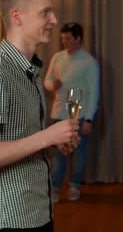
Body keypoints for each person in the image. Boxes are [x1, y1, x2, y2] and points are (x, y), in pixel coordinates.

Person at [0, 0, 80, 232]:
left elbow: (23, 141)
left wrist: (54, 140)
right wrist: (47, 137)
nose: (54, 20)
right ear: (17, 17)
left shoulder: (31, 71)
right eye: (45, 12)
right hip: (9, 220)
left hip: (36, 210)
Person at [44, 22, 100, 203]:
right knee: (58, 154)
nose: (65, 42)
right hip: (58, 112)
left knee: (78, 152)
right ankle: (55, 189)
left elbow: (94, 92)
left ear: (78, 39)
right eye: (62, 39)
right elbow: (47, 80)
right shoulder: (58, 57)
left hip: (78, 114)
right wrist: (53, 85)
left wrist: (89, 119)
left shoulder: (89, 62)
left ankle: (75, 186)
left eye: (68, 38)